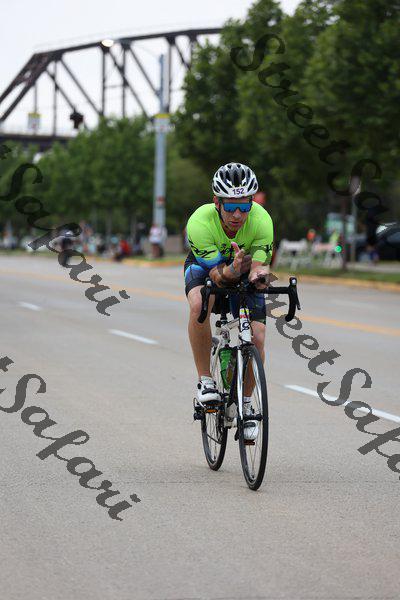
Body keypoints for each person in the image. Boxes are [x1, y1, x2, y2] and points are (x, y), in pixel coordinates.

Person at [184, 162, 274, 440]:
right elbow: (216, 276)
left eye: (244, 207)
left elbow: (259, 265)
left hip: (242, 266)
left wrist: (259, 275)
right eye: (231, 207)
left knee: (258, 336)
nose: (237, 215)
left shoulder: (262, 220)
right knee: (200, 304)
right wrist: (232, 270)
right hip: (206, 267)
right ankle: (205, 381)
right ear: (217, 203)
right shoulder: (199, 222)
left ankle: (246, 405)